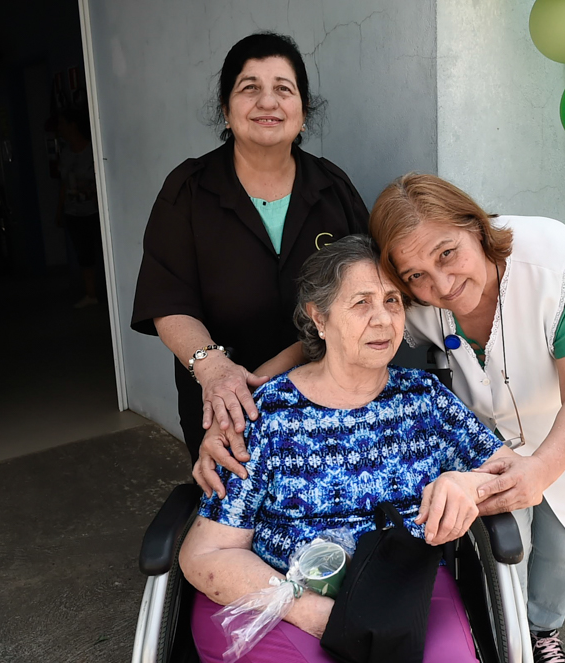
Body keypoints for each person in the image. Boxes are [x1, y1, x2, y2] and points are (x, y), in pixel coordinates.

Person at [179, 235, 515, 663]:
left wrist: (469, 485)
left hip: (403, 594)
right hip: (279, 596)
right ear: (319, 318)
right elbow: (207, 552)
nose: (383, 320)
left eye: (392, 301)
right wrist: (317, 614)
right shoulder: (269, 415)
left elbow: (512, 472)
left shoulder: (423, 400)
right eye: (361, 303)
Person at [368, 174, 565, 663]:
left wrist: (541, 470)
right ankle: (508, 641)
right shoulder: (411, 296)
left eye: (447, 254)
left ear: (476, 226)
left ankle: (543, 632)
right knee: (506, 556)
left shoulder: (556, 261)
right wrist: (245, 380)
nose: (442, 285)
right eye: (416, 275)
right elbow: (343, 328)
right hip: (489, 441)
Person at [131, 33, 368, 466]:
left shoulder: (333, 189)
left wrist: (272, 373)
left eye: (283, 88)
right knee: (235, 499)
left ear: (303, 110)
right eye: (250, 87)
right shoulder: (188, 190)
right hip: (224, 406)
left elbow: (364, 298)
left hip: (330, 394)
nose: (267, 101)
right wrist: (214, 369)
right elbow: (168, 301)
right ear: (226, 108)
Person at [55, 106, 103, 309]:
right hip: (74, 211)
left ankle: (111, 292)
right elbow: (64, 184)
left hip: (94, 211)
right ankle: (91, 294)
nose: (59, 128)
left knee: (102, 250)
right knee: (83, 253)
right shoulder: (66, 154)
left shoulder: (93, 150)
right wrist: (60, 210)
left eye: (62, 123)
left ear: (72, 125)